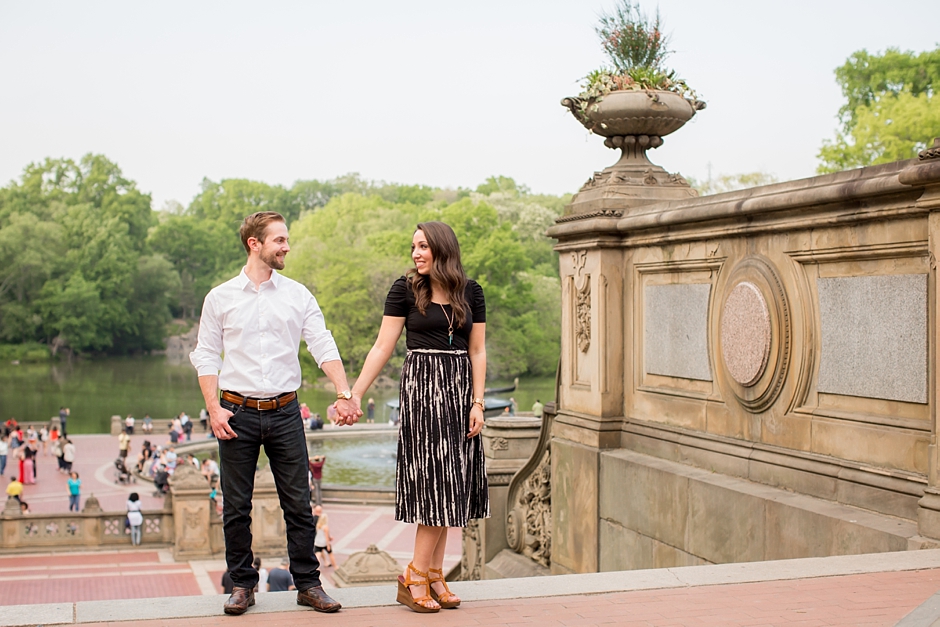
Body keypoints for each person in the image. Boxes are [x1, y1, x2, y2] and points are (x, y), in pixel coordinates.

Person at [190, 211, 360, 616]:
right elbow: (206, 354)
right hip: (235, 412)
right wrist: (214, 409)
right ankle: (242, 586)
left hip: (285, 411)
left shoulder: (298, 294)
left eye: (286, 240)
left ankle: (308, 584)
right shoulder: (220, 297)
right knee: (236, 505)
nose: (286, 246)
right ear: (255, 244)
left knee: (299, 503)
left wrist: (344, 391)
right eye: (279, 240)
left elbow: (321, 342)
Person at [351, 221, 487, 613]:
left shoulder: (471, 291)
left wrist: (477, 402)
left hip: (459, 392)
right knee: (435, 485)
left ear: (443, 248)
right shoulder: (405, 289)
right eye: (413, 247)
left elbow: (477, 351)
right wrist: (355, 393)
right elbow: (382, 346)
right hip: (422, 393)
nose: (416, 253)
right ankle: (413, 574)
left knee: (452, 484)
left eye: (423, 246)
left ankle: (433, 574)